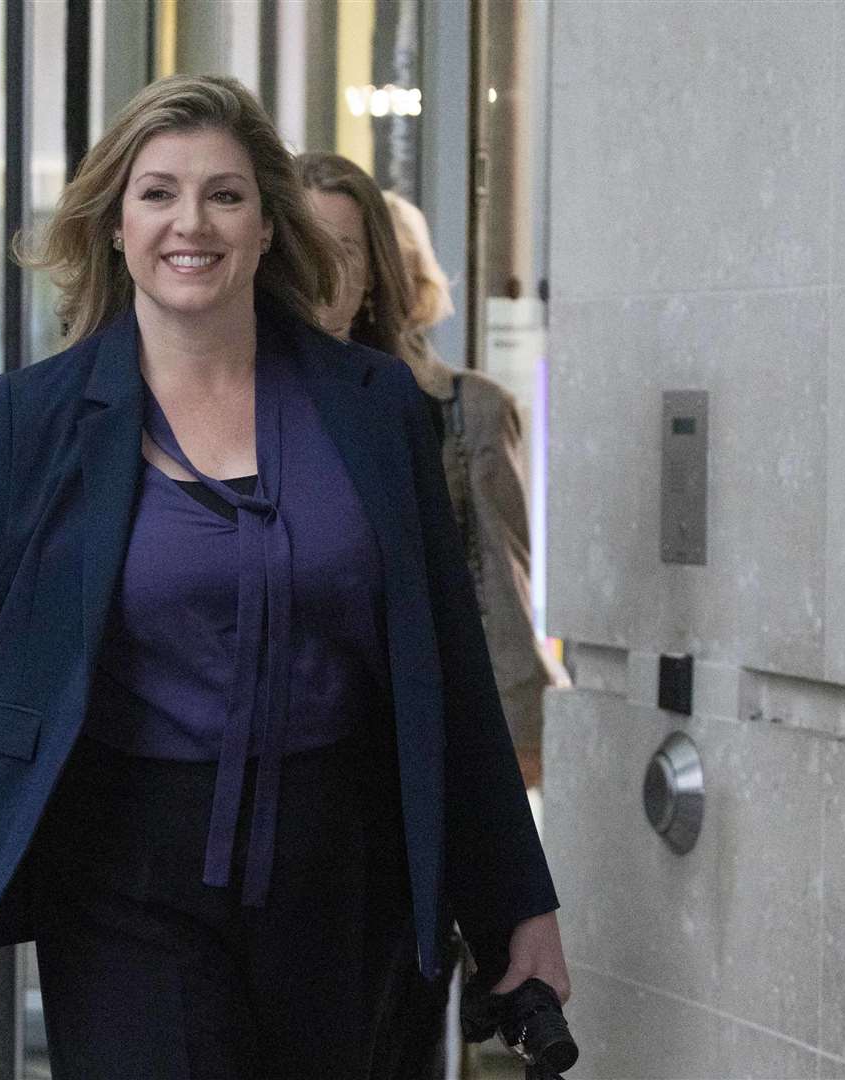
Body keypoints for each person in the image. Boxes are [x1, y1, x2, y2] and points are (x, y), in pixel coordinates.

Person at [0, 75, 568, 1080]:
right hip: (122, 875)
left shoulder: (373, 411)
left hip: (344, 874)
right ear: (113, 224)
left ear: (269, 226)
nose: (192, 222)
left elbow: (447, 670)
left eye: (225, 195)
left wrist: (516, 905)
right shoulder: (41, 421)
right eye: (158, 193)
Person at [298, 153, 571, 1077]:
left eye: (341, 249)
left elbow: (492, 607)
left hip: (400, 792)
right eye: (299, 247)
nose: (319, 273)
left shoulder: (447, 413)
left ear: (379, 269)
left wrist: (506, 830)